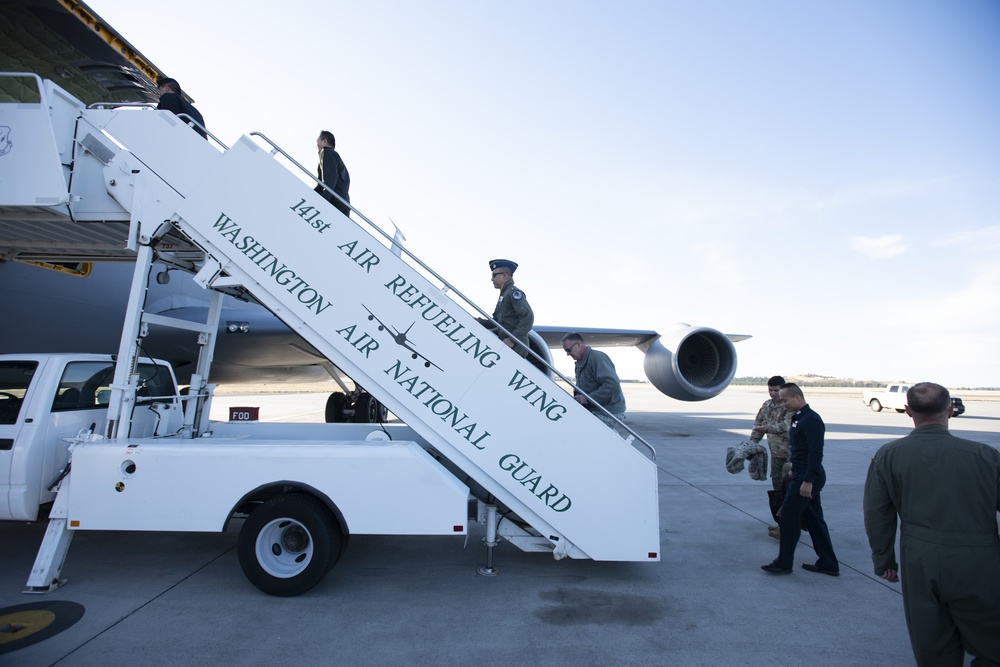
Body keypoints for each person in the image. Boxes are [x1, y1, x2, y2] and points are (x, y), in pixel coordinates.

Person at [863, 382, 1000, 666]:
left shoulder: (889, 455)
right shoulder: (986, 457)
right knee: (992, 643)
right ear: (951, 410)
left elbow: (877, 513)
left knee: (933, 648)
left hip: (920, 560)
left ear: (908, 410)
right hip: (980, 561)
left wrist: (884, 559)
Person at [761, 382, 839, 576]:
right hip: (801, 473)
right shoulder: (798, 418)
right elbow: (801, 451)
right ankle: (828, 563)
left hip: (807, 477)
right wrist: (794, 470)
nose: (783, 403)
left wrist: (808, 480)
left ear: (797, 397)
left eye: (785, 400)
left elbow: (815, 452)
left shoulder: (811, 420)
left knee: (788, 517)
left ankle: (784, 563)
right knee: (814, 520)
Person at [750, 376, 791, 539]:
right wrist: (751, 444)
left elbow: (786, 426)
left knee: (788, 491)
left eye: (776, 390)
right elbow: (758, 424)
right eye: (770, 390)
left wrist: (768, 428)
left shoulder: (788, 405)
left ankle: (788, 527)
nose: (773, 394)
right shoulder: (767, 405)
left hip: (790, 456)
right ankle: (781, 524)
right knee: (777, 489)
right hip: (775, 455)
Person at [561, 333, 626, 429]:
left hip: (607, 412)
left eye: (568, 350)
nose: (567, 354)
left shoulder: (597, 358)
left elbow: (612, 384)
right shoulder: (581, 362)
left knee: (583, 430)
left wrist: (587, 399)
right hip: (595, 409)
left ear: (579, 345)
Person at [477, 259, 533, 358]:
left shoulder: (513, 293)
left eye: (494, 275)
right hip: (508, 345)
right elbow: (495, 322)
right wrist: (477, 321)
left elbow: (528, 317)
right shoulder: (504, 295)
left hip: (515, 347)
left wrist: (512, 339)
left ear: (505, 275)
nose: (491, 279)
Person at [315, 131, 351, 216]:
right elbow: (321, 184)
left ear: (324, 141)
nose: (316, 143)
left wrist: (325, 198)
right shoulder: (331, 156)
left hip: (336, 201)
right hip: (341, 202)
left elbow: (331, 178)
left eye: (318, 140)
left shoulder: (327, 152)